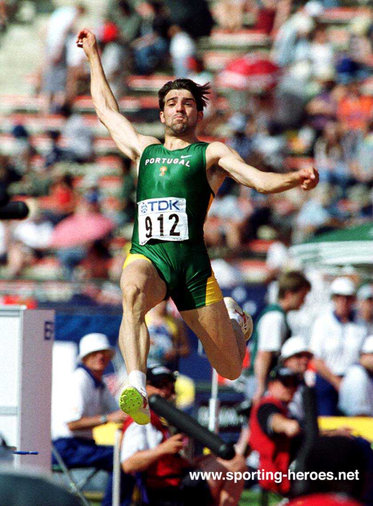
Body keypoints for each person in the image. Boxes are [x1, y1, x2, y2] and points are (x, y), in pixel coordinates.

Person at [76, 28, 319, 425]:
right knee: (130, 290)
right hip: (149, 255)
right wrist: (94, 57)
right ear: (161, 113)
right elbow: (106, 111)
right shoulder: (145, 150)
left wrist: (295, 178)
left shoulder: (211, 153)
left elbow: (257, 180)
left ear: (198, 113)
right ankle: (135, 384)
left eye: (188, 103)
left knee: (231, 368)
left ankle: (237, 321)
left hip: (191, 268)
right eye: (171, 103)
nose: (179, 109)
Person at [120, 365, 246, 505]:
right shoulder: (138, 420)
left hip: (180, 480)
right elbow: (128, 464)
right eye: (159, 385)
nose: (165, 392)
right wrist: (163, 449)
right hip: (166, 491)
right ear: (145, 387)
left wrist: (191, 462)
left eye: (170, 387)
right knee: (235, 464)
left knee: (230, 462)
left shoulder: (162, 419)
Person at [51, 333, 127, 506]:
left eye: (104, 353)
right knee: (124, 460)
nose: (100, 357)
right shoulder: (79, 381)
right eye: (94, 353)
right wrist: (108, 418)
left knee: (127, 457)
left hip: (79, 446)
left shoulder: (98, 383)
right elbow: (72, 424)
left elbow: (118, 413)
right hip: (66, 447)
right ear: (85, 358)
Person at [309, 277, 367, 415]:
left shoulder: (362, 325)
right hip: (327, 379)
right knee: (327, 421)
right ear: (334, 299)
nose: (343, 302)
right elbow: (315, 358)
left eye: (347, 298)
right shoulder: (322, 322)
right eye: (339, 297)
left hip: (354, 380)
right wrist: (336, 382)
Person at [251, 270, 311, 403]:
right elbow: (264, 354)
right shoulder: (275, 318)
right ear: (289, 294)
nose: (304, 301)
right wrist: (260, 388)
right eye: (302, 296)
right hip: (263, 383)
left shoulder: (278, 316)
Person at [248, 366, 303, 496]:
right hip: (261, 476)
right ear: (272, 385)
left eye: (294, 384)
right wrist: (285, 425)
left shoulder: (289, 410)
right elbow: (274, 421)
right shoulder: (267, 405)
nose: (290, 388)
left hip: (279, 476)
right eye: (285, 384)